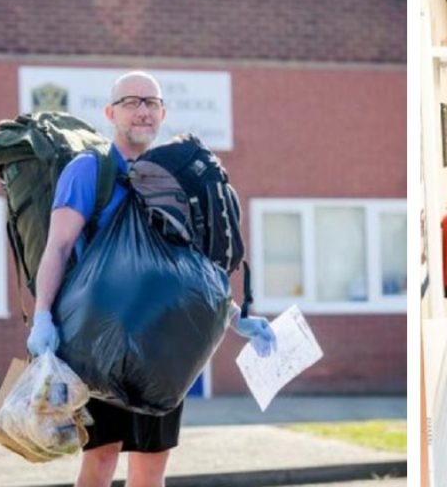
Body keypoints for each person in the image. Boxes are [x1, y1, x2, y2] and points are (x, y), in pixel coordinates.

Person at [24, 71, 276, 487]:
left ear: (163, 113)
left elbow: (186, 274)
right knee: (100, 462)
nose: (142, 110)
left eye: (151, 102)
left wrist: (237, 318)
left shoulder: (172, 180)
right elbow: (59, 246)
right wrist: (43, 317)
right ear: (110, 112)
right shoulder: (90, 170)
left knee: (151, 467)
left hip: (163, 347)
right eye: (131, 101)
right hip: (99, 343)